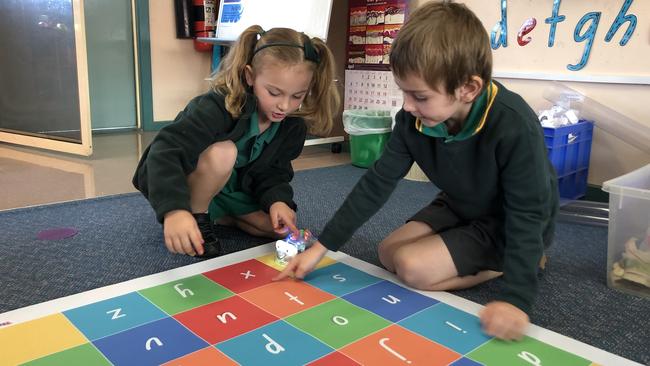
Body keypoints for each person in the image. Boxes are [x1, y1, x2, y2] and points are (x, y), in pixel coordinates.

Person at [275, 1, 559, 342]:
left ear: (469, 88)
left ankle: (508, 264)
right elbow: (377, 183)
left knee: (412, 268)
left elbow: (528, 212)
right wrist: (321, 249)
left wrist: (515, 299)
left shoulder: (514, 124)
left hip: (506, 219)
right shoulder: (413, 120)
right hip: (460, 204)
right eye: (404, 92)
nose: (408, 106)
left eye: (420, 96)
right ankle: (481, 254)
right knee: (387, 253)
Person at [133, 25, 340, 259]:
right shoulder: (217, 106)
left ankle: (224, 215)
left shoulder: (292, 125)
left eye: (297, 96)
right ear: (250, 76)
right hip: (193, 181)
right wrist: (174, 211)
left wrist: (278, 201)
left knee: (274, 228)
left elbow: (274, 172)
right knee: (224, 152)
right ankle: (199, 214)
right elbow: (164, 152)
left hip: (234, 187)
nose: (284, 105)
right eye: (274, 93)